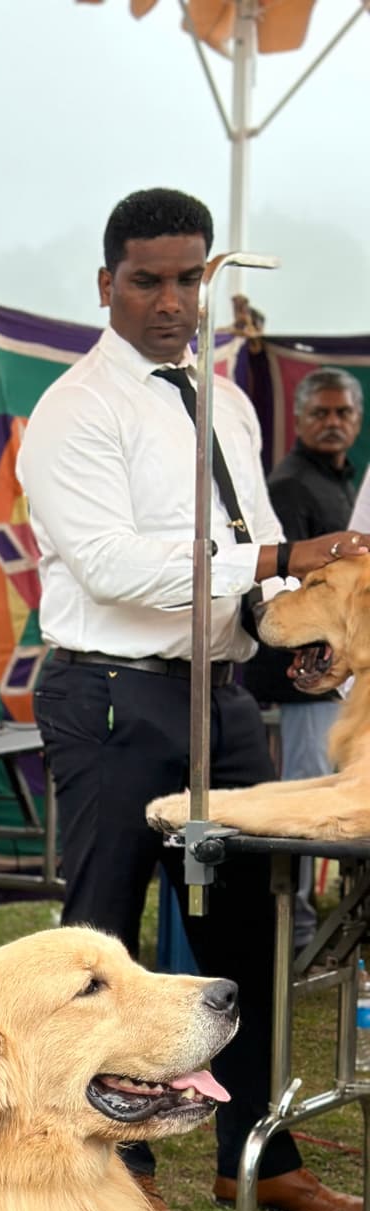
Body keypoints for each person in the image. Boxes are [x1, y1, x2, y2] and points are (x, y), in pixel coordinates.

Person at [18, 186, 365, 1211]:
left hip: (224, 702)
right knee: (106, 948)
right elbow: (118, 568)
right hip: (116, 695)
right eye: (147, 281)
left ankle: (258, 1153)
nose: (171, 301)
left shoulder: (232, 401)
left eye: (188, 280)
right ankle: (108, 1165)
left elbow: (252, 560)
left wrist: (305, 624)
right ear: (107, 284)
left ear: (210, 280)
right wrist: (277, 561)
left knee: (245, 940)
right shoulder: (76, 409)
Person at [255, 368, 362, 946]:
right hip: (303, 679)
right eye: (320, 412)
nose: (332, 422)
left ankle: (313, 925)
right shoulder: (291, 485)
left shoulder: (342, 484)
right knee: (305, 798)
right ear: (299, 419)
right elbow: (286, 590)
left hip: (336, 673)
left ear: (358, 418)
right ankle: (292, 935)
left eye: (343, 412)